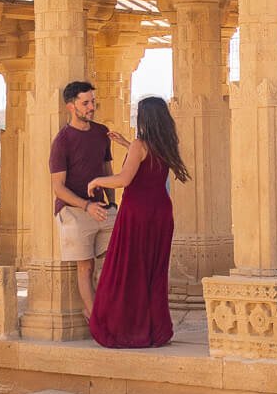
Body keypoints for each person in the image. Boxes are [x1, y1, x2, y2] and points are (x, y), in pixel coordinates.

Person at [86, 94, 189, 349]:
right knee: (153, 273)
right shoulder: (164, 144)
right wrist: (125, 143)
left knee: (129, 272)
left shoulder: (140, 145)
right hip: (161, 213)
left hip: (137, 215)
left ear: (145, 119)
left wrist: (97, 180)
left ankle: (129, 329)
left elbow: (123, 180)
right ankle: (156, 331)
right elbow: (146, 163)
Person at [48, 80, 128, 322]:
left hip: (103, 209)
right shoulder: (62, 140)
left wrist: (112, 201)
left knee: (115, 263)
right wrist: (86, 206)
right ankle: (96, 319)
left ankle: (112, 312)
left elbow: (106, 168)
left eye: (92, 101)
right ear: (71, 106)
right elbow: (58, 188)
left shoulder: (101, 132)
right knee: (86, 268)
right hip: (73, 211)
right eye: (86, 103)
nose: (91, 107)